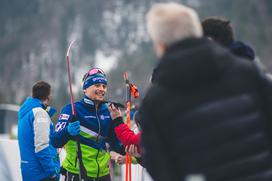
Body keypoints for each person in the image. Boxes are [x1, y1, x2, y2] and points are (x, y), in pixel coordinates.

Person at [140, 2, 272, 181]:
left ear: (160, 45)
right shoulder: (247, 72)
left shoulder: (155, 102)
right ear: (197, 32)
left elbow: (161, 169)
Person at [52, 68, 123, 181]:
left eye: (104, 86)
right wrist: (68, 132)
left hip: (103, 175)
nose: (101, 89)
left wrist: (120, 123)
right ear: (85, 89)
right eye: (97, 85)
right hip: (77, 174)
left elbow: (116, 145)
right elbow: (55, 141)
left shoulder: (108, 111)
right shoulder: (72, 109)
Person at [18, 81, 60, 181]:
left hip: (29, 171)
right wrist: (52, 172)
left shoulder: (26, 112)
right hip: (41, 173)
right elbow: (41, 146)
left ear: (33, 94)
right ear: (48, 96)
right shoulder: (39, 113)